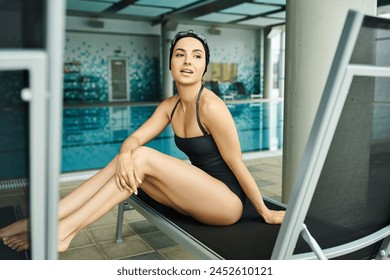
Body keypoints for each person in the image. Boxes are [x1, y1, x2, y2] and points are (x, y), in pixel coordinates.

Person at [1, 29, 285, 253]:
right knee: (125, 163)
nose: (188, 61)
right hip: (196, 193)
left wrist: (265, 213)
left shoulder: (211, 107)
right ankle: (39, 222)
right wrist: (125, 154)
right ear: (171, 64)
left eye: (197, 56)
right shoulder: (169, 106)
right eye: (180, 55)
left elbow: (238, 164)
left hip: (227, 204)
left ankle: (64, 232)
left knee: (142, 157)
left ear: (204, 67)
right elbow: (134, 138)